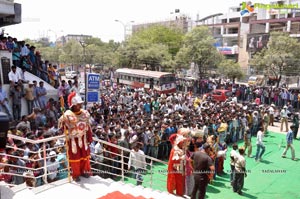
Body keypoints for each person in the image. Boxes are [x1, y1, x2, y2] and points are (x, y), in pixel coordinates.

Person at [58, 91, 93, 182]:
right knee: (75, 158)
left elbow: (88, 126)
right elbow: (63, 128)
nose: (80, 106)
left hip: (83, 139)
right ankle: (76, 174)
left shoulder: (85, 113)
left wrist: (90, 137)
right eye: (78, 104)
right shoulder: (67, 115)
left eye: (80, 104)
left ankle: (84, 171)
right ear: (73, 105)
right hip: (73, 140)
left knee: (85, 157)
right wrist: (64, 123)